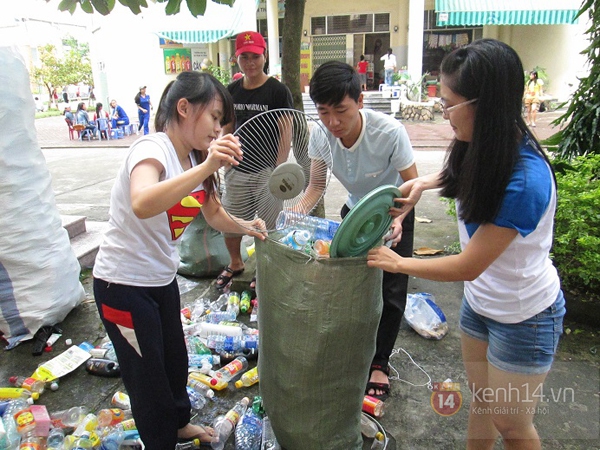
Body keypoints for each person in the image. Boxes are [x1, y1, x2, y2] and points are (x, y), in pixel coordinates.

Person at [367, 39, 564, 448]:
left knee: (512, 426)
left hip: (524, 318)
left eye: (450, 103)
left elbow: (468, 265)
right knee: (483, 403)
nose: (444, 111)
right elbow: (460, 175)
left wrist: (398, 263)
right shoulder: (480, 145)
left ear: (485, 103)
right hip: (481, 306)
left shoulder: (527, 180)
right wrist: (422, 182)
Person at [92, 71, 267, 450]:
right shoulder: (151, 149)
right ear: (184, 108)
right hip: (122, 286)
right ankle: (160, 441)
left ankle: (178, 425)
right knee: (147, 378)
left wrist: (246, 226)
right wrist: (206, 168)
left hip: (159, 280)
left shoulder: (191, 158)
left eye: (222, 122)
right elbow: (142, 202)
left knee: (174, 360)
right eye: (215, 117)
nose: (219, 129)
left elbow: (213, 214)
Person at [302, 61, 418, 401]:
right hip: (355, 211)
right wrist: (285, 216)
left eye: (341, 111)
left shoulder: (389, 132)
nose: (333, 122)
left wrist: (399, 219)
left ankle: (380, 362)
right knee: (350, 285)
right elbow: (314, 188)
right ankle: (354, 351)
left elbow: (412, 184)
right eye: (324, 112)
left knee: (391, 288)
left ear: (360, 101)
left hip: (394, 208)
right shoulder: (321, 134)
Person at [216, 30, 294, 290]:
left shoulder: (277, 91)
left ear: (265, 56)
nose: (250, 62)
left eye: (255, 56)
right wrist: (225, 158)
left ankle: (264, 268)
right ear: (237, 59)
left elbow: (286, 128)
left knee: (268, 225)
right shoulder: (231, 91)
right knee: (231, 222)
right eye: (244, 57)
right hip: (237, 169)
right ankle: (236, 262)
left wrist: (279, 167)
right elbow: (227, 125)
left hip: (267, 171)